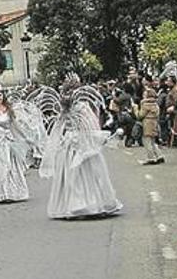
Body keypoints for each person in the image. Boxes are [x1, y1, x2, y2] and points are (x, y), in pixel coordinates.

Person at [40, 82, 122, 219]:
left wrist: (91, 138)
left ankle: (92, 203)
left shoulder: (83, 107)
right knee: (71, 175)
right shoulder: (63, 110)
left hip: (82, 143)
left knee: (87, 173)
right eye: (66, 92)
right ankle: (75, 206)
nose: (69, 95)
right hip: (69, 145)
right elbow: (59, 126)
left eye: (71, 92)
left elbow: (92, 124)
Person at [137, 88, 165, 165]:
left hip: (147, 124)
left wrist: (135, 109)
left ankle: (151, 158)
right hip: (154, 123)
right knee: (152, 141)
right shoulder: (155, 104)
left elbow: (140, 115)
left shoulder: (145, 105)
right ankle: (159, 155)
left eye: (145, 94)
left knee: (146, 141)